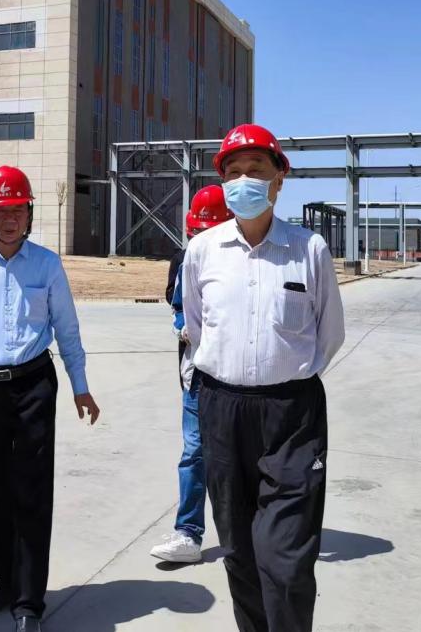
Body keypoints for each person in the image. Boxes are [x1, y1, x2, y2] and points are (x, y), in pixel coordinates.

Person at [183, 124, 346, 632]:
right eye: (233, 173)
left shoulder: (308, 249)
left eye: (255, 170)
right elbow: (197, 329)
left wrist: (285, 378)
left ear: (279, 179)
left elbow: (330, 335)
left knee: (287, 557)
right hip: (222, 411)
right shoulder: (202, 251)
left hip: (291, 417)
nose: (243, 182)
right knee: (238, 550)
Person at [0, 165, 100, 632]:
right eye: (0, 211)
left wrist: (80, 385)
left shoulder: (47, 265)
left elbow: (66, 328)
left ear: (29, 213)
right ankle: (5, 581)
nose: (10, 219)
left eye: (18, 210)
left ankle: (29, 600)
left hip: (33, 385)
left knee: (30, 492)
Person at [150, 185, 234, 564]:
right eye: (196, 233)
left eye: (207, 232)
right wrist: (182, 324)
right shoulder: (183, 260)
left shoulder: (238, 264)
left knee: (238, 455)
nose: (200, 240)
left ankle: (247, 533)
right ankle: (188, 533)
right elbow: (176, 302)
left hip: (235, 378)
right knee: (194, 453)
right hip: (196, 375)